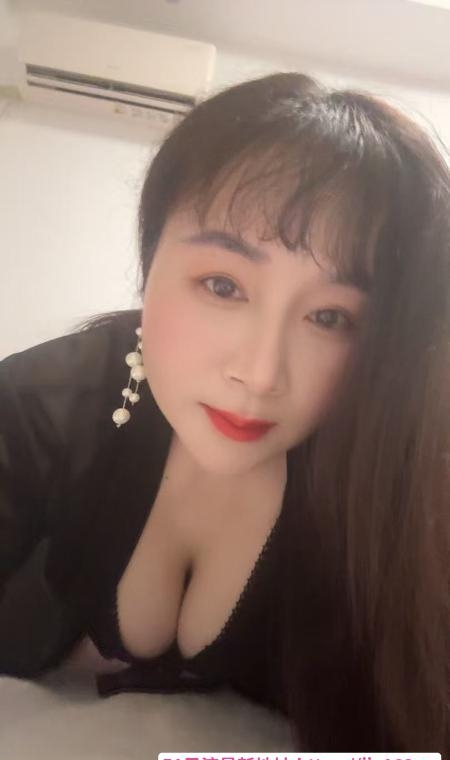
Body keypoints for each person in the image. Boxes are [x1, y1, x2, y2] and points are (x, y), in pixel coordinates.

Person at [0, 72, 448, 753]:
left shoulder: (384, 469)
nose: (260, 374)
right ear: (149, 262)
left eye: (331, 317)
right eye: (222, 284)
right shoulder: (44, 405)